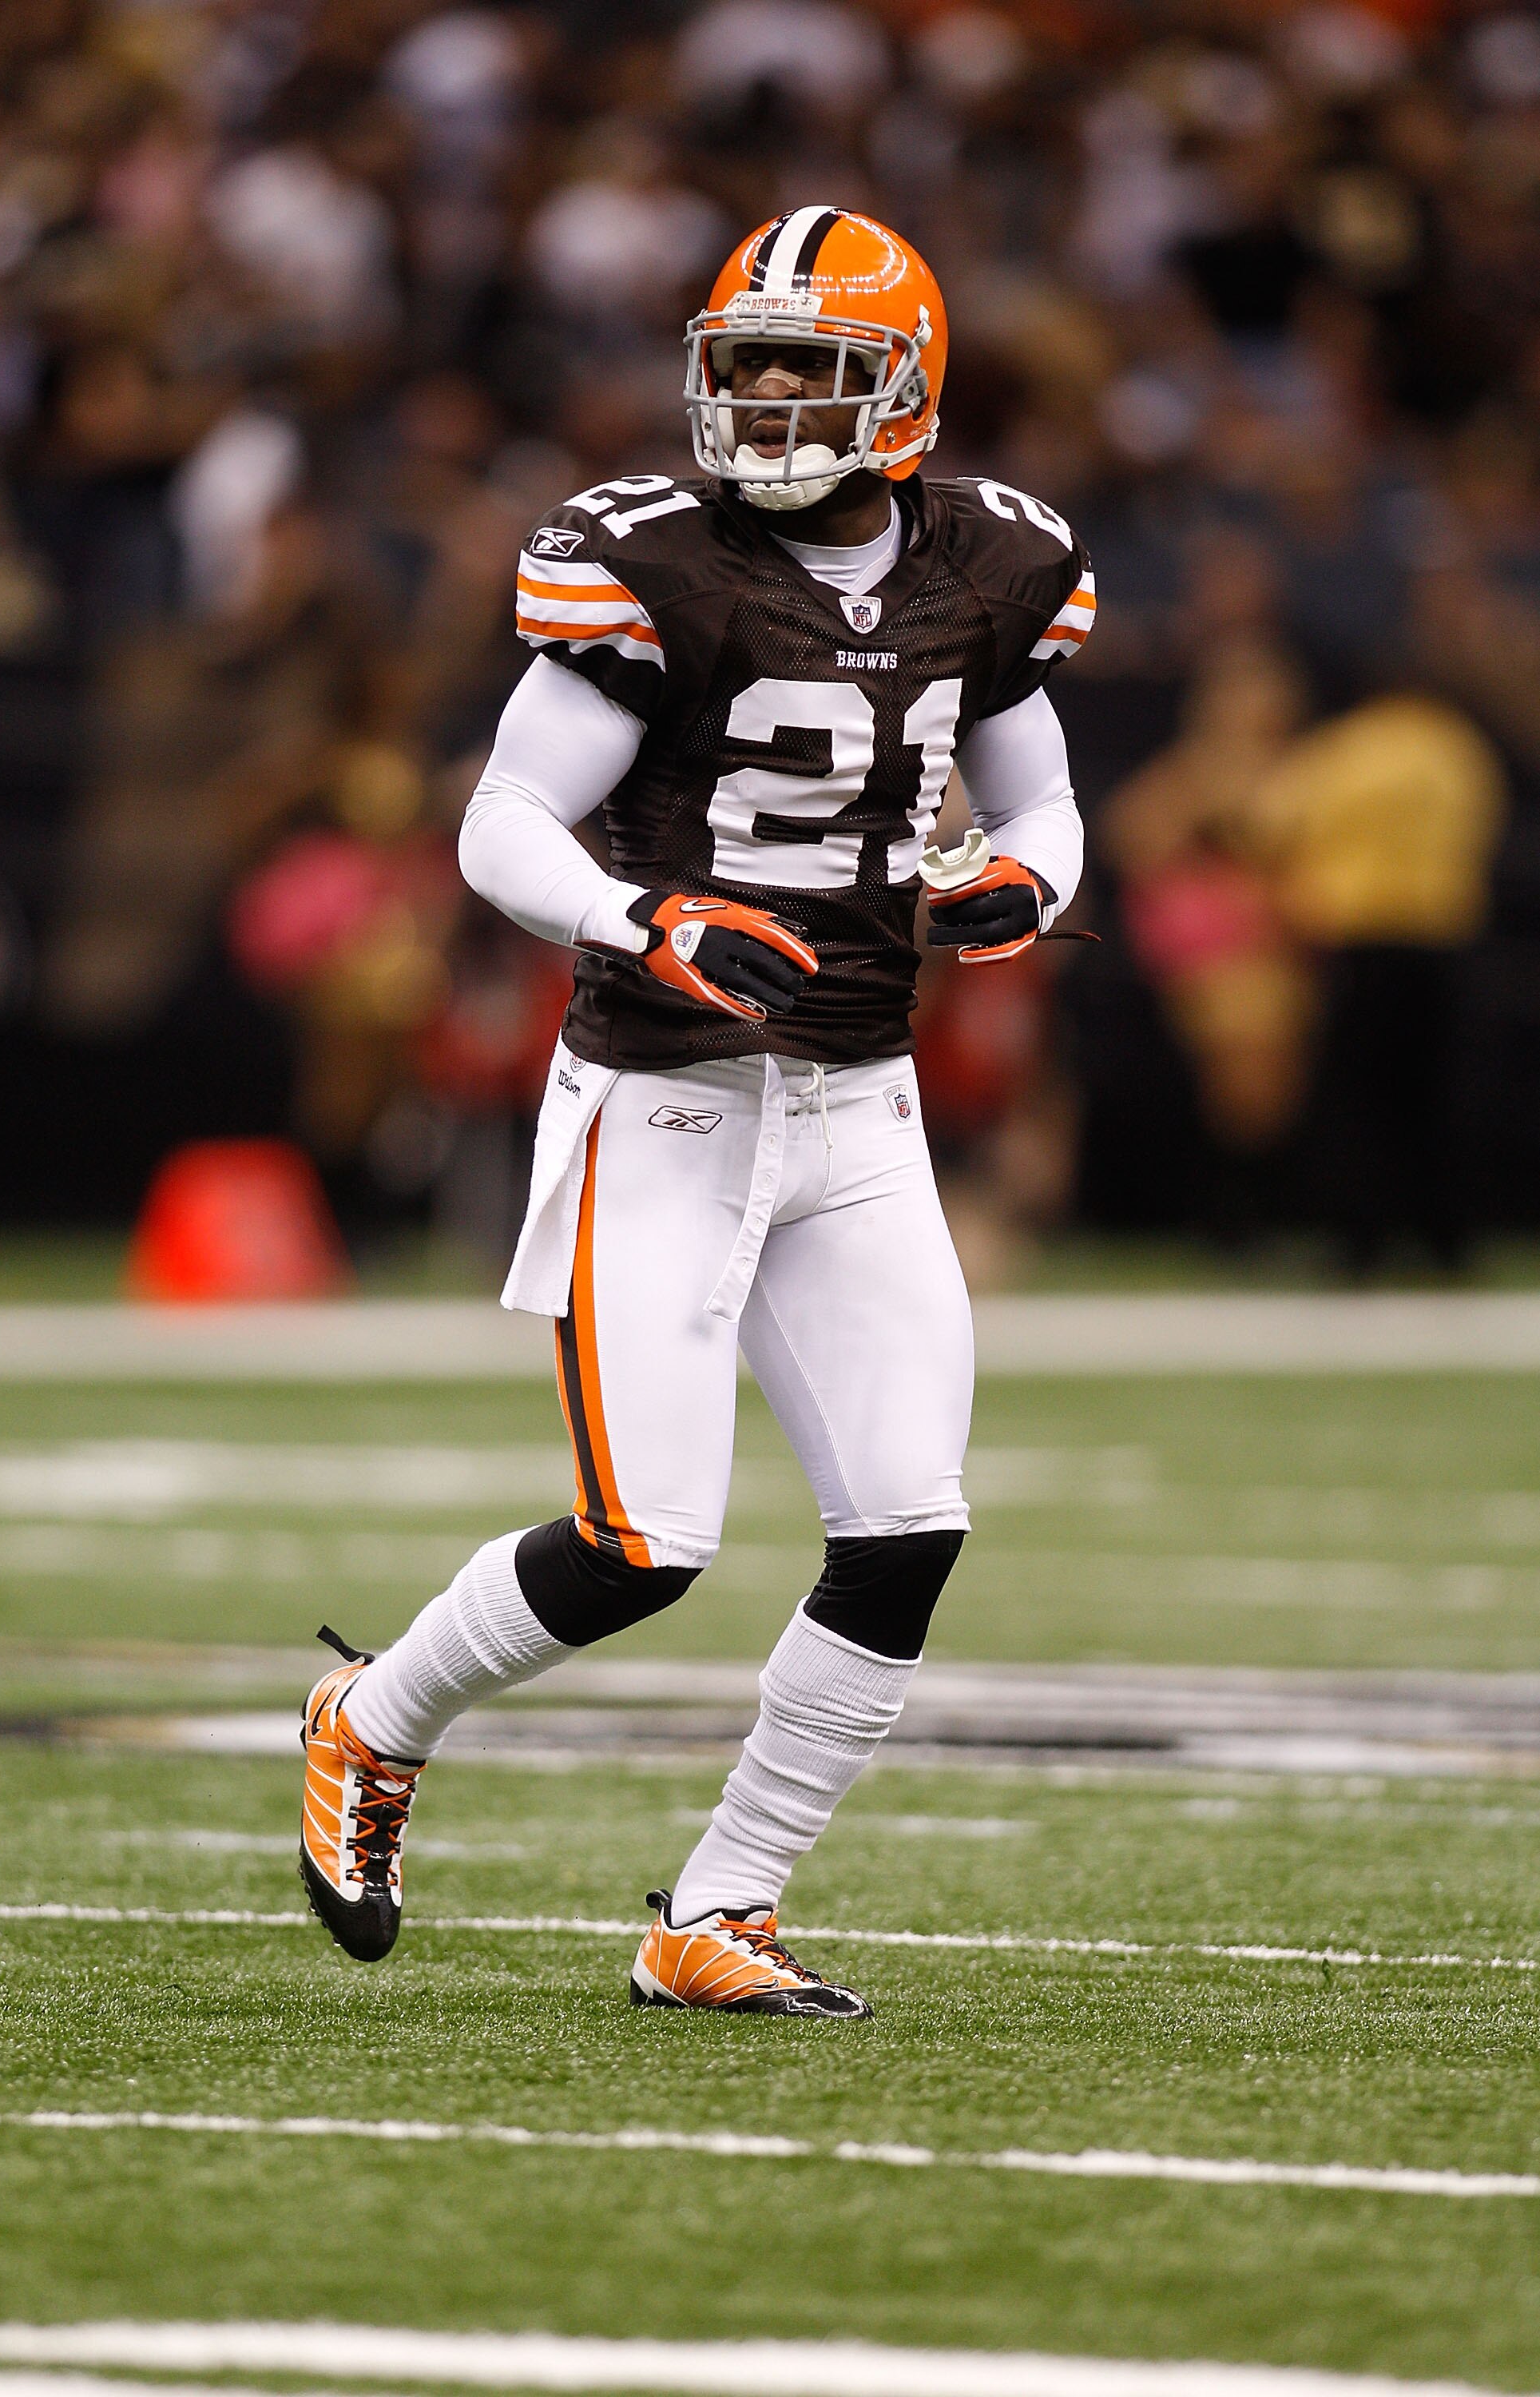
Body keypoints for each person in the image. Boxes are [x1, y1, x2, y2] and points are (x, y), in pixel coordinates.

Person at [297, 207, 1095, 2016]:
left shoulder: (992, 560)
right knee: (641, 1546)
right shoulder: (650, 558)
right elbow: (500, 820)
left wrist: (1022, 890)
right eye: (743, 363)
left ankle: (716, 1910)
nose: (765, 400)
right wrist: (635, 912)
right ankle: (374, 1716)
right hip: (660, 1100)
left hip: (859, 1104)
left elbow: (1041, 806)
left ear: (901, 387)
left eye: (809, 367)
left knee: (906, 1525)